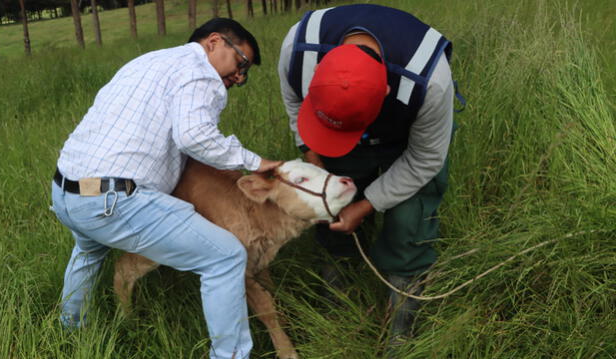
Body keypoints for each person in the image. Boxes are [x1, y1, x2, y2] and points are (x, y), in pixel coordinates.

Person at [51, 18, 281, 359]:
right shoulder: (202, 72)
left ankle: (70, 333)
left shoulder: (149, 61)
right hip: (114, 201)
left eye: (245, 73)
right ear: (213, 42)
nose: (240, 77)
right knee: (226, 256)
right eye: (241, 63)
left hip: (67, 193)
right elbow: (194, 136)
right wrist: (254, 161)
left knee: (89, 251)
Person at [277, 3, 457, 350]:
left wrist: (365, 206)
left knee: (408, 223)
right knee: (328, 212)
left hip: (406, 141)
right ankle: (338, 299)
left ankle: (401, 328)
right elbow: (295, 106)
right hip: (333, 123)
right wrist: (317, 166)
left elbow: (425, 159)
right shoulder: (297, 50)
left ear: (386, 93)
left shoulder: (429, 81)